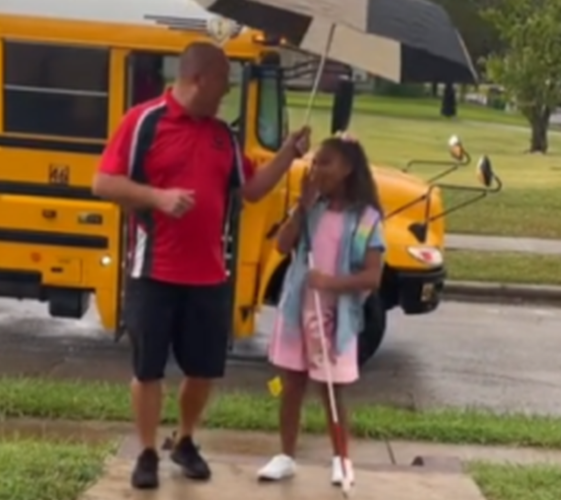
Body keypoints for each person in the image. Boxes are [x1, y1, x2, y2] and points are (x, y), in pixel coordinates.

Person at [92, 40, 310, 490]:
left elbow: (250, 190)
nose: (227, 92)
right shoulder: (143, 123)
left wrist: (289, 152)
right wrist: (157, 197)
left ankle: (186, 440)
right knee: (148, 369)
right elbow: (103, 182)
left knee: (203, 369)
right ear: (200, 79)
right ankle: (148, 451)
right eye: (224, 83)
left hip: (209, 275)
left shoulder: (222, 137)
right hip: (153, 272)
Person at [256, 132, 385, 484]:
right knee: (291, 384)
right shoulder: (311, 209)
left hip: (335, 321)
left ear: (348, 169)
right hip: (298, 313)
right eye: (314, 161)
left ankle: (342, 459)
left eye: (325, 162)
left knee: (332, 391)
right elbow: (283, 245)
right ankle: (286, 455)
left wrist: (329, 283)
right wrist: (302, 205)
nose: (316, 168)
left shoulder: (367, 219)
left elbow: (372, 277)